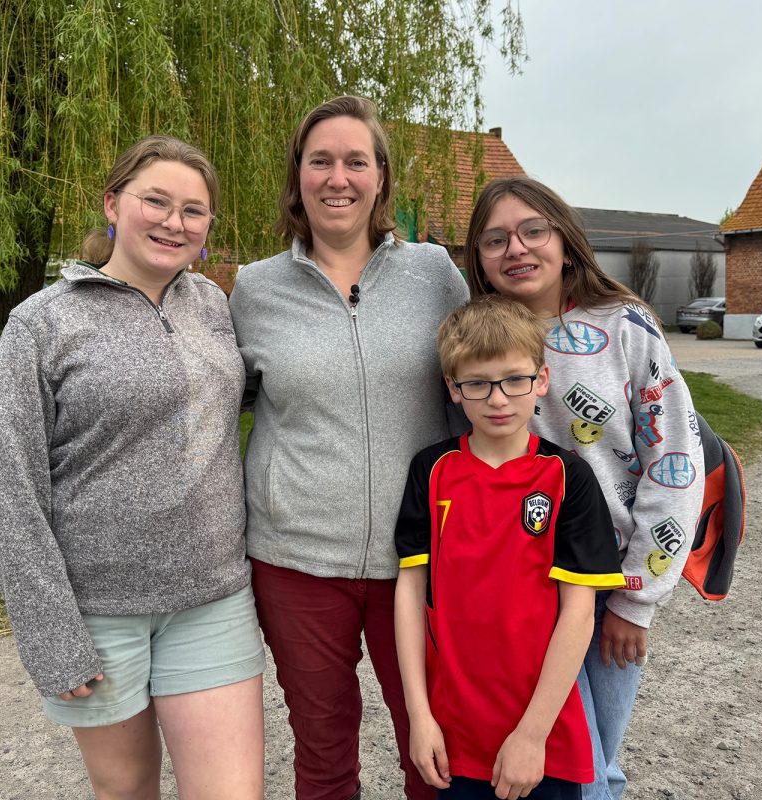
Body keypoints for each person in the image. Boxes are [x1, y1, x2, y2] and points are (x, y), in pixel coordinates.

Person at [0, 135, 265, 800]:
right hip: (99, 611)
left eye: (194, 211)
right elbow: (9, 487)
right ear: (113, 204)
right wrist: (49, 631)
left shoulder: (214, 306)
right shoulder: (41, 324)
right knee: (127, 789)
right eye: (156, 201)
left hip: (211, 597)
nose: (174, 222)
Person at [228, 95, 469, 800]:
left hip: (422, 559)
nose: (338, 178)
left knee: (435, 745)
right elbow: (218, 403)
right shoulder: (254, 289)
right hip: (296, 561)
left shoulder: (434, 274)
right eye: (320, 161)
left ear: (382, 178)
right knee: (324, 748)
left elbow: (483, 384)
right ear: (298, 176)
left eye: (355, 161)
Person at [461, 178, 705, 800]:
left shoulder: (625, 326)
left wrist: (636, 599)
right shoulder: (477, 339)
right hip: (523, 586)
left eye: (532, 230)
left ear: (565, 242)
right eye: (496, 239)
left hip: (608, 580)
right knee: (573, 762)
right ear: (480, 260)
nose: (516, 248)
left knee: (602, 760)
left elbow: (673, 458)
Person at [393, 295, 626, 800]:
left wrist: (532, 734)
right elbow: (410, 594)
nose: (498, 399)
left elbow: (578, 614)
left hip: (543, 735)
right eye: (477, 383)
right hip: (455, 732)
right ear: (453, 389)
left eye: (514, 379)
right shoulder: (431, 471)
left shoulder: (568, 477)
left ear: (541, 380)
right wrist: (420, 716)